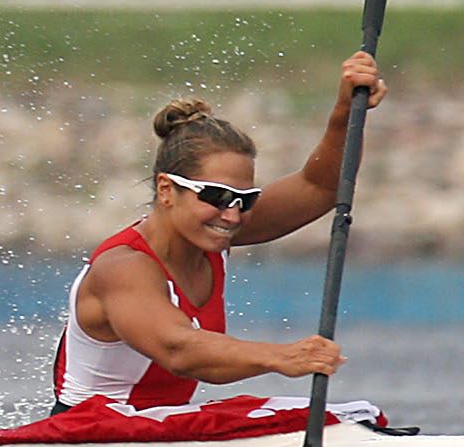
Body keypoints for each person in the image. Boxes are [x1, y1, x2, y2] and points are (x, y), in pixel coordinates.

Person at [51, 52, 383, 413]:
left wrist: (346, 111)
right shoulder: (122, 268)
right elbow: (179, 350)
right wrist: (282, 356)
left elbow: (321, 187)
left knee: (350, 416)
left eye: (245, 199)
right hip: (89, 435)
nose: (232, 214)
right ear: (166, 190)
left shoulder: (212, 231)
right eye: (216, 196)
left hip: (161, 428)